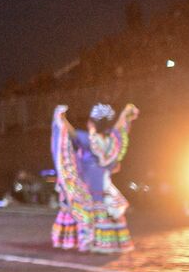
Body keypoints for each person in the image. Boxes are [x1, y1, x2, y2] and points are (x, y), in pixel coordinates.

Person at [51, 103, 140, 253]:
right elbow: (119, 128)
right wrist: (124, 114)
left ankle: (88, 240)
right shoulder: (112, 142)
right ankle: (104, 242)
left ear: (91, 123)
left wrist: (61, 118)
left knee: (83, 209)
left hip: (88, 187)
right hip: (103, 186)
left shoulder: (88, 140)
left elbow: (70, 133)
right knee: (106, 211)